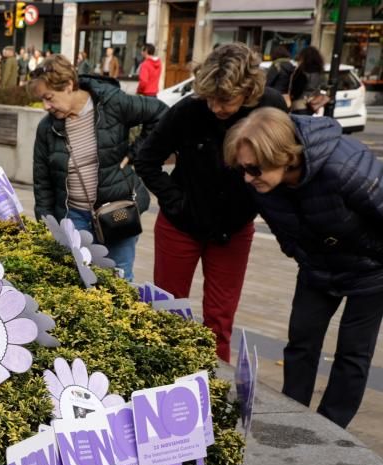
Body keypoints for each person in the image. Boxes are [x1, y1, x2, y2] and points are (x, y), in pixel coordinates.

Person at [224, 107, 383, 428]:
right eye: (242, 168)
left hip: (371, 270)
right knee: (301, 343)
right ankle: (293, 419)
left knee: (353, 354)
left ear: (283, 156)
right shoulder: (260, 182)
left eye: (254, 168)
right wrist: (298, 250)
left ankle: (329, 430)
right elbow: (281, 224)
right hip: (316, 267)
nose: (247, 177)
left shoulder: (344, 166)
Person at [134, 42, 288, 361]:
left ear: (248, 91)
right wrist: (175, 201)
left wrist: (260, 203)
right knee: (167, 313)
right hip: (181, 225)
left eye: (226, 100)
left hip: (233, 229)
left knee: (220, 319)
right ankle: (168, 380)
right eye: (211, 98)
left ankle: (213, 388)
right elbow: (146, 158)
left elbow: (282, 162)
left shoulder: (270, 107)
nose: (217, 107)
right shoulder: (190, 109)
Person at [30, 55, 167, 280]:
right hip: (73, 216)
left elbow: (161, 114)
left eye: (49, 98)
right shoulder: (47, 128)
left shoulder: (112, 103)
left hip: (117, 211)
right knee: (79, 280)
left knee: (119, 278)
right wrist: (48, 228)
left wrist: (136, 154)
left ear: (68, 85)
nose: (46, 106)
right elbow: (42, 183)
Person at [289, 46, 328, 116]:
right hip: (313, 104)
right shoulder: (319, 72)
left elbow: (296, 89)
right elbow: (324, 86)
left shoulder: (301, 72)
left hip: (300, 104)